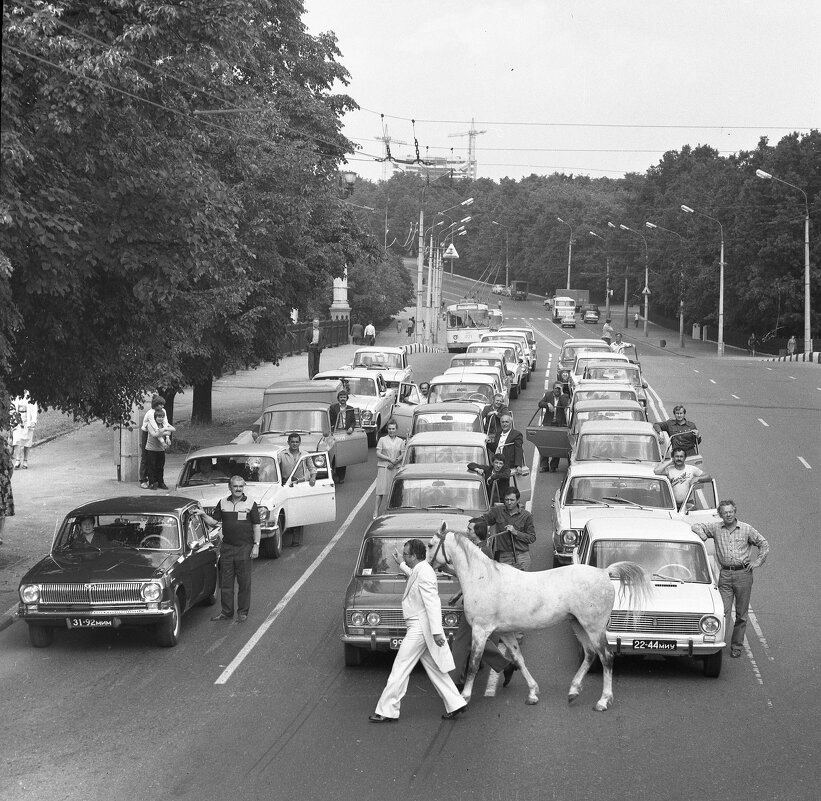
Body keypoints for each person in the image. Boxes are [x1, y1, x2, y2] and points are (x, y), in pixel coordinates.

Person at [369, 538, 467, 722]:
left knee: (400, 668)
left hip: (419, 628)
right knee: (435, 668)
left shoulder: (425, 573)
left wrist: (436, 632)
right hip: (421, 627)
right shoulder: (421, 569)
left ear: (414, 556)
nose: (404, 556)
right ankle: (456, 703)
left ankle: (387, 710)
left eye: (406, 554)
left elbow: (432, 602)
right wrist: (401, 564)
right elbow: (413, 575)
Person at [691, 500, 770, 658]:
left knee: (741, 614)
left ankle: (736, 646)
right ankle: (718, 643)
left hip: (743, 574)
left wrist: (758, 562)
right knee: (723, 612)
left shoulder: (746, 529)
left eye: (730, 512)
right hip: (725, 575)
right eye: (725, 512)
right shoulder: (716, 528)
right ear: (720, 514)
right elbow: (696, 526)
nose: (728, 515)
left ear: (735, 512)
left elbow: (764, 543)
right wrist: (703, 535)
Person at [447, 519, 517, 689]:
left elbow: (479, 579)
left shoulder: (483, 551)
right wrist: (459, 593)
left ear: (478, 532)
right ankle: (505, 665)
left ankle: (455, 681)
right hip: (474, 601)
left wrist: (446, 570)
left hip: (478, 605)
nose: (467, 531)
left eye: (470, 529)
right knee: (476, 640)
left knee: (461, 641)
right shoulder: (476, 549)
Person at [198, 477, 261, 623]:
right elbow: (214, 522)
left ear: (243, 487)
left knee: (244, 583)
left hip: (244, 548)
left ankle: (243, 612)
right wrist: (203, 514)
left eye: (241, 486)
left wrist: (256, 545)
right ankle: (226, 613)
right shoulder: (222, 503)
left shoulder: (251, 503)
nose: (238, 489)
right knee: (226, 583)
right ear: (230, 487)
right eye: (235, 486)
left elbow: (256, 526)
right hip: (227, 548)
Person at [480, 486, 536, 571]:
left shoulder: (527, 516)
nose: (509, 503)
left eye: (512, 500)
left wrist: (516, 532)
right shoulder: (497, 511)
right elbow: (483, 521)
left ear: (518, 500)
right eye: (506, 500)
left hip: (521, 556)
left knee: (519, 579)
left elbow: (532, 538)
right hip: (504, 557)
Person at [537, 382, 571, 472]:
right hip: (548, 423)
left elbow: (565, 405)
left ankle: (553, 466)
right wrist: (547, 404)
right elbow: (540, 403)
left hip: (559, 424)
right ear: (553, 389)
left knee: (556, 444)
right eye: (556, 388)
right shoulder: (548, 395)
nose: (557, 390)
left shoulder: (565, 396)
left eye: (559, 388)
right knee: (545, 444)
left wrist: (562, 394)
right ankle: (544, 466)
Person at [374, 419, 404, 518]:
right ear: (387, 429)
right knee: (380, 490)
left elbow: (403, 454)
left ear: (396, 429)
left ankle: (394, 510)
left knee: (395, 490)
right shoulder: (382, 439)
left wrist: (395, 462)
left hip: (396, 467)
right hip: (384, 466)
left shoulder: (401, 441)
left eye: (393, 429)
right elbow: (378, 453)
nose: (391, 431)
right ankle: (375, 511)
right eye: (390, 429)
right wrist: (389, 459)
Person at [144, 407, 175, 490]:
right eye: (159, 417)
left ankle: (161, 482)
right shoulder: (150, 424)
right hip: (151, 449)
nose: (160, 419)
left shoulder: (164, 424)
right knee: (151, 467)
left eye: (162, 417)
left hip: (161, 449)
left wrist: (165, 430)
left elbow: (173, 429)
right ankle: (152, 483)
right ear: (155, 418)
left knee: (160, 467)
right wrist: (165, 432)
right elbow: (155, 435)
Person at [329, 390, 356, 484]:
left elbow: (353, 421)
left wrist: (351, 428)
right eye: (341, 397)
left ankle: (341, 477)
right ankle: (334, 473)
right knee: (335, 454)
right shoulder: (333, 408)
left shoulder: (350, 409)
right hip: (336, 432)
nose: (343, 399)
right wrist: (332, 428)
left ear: (347, 398)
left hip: (345, 433)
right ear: (338, 399)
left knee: (343, 455)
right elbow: (330, 419)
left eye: (344, 397)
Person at [139, 395, 165, 489]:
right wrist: (161, 434)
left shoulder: (162, 411)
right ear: (156, 405)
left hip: (157, 432)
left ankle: (157, 480)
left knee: (157, 460)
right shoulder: (150, 413)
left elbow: (165, 421)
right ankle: (143, 479)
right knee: (145, 457)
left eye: (162, 404)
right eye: (160, 404)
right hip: (147, 433)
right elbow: (154, 426)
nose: (162, 406)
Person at [11, 391, 38, 469]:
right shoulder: (15, 394)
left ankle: (25, 460)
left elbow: (34, 408)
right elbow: (12, 408)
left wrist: (33, 421)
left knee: (27, 441)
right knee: (16, 440)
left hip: (28, 421)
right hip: (17, 421)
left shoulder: (31, 394)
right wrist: (12, 420)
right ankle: (17, 460)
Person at [0, 425, 15, 546]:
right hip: (4, 484)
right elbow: (11, 469)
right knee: (1, 512)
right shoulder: (5, 450)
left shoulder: (5, 450)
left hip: (3, 484)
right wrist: (6, 480)